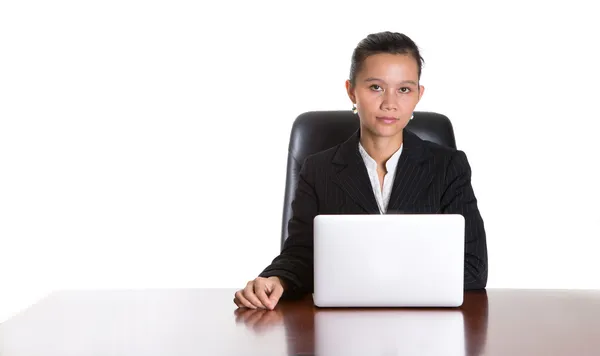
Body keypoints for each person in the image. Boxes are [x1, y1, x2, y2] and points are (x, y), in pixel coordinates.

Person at [234, 31, 488, 310]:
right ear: (351, 90)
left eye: (404, 89)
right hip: (340, 325)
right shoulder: (318, 169)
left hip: (427, 327)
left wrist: (381, 280)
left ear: (418, 95)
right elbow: (302, 254)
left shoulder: (448, 166)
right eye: (376, 87)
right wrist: (276, 279)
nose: (390, 102)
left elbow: (473, 267)